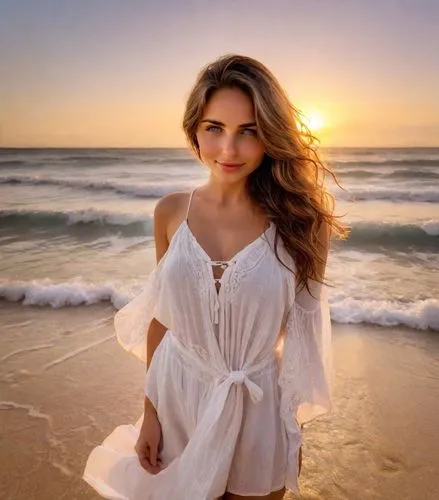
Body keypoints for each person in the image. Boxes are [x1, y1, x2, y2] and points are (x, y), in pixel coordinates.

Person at [83, 54, 347, 500]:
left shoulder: (303, 224)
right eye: (214, 129)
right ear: (195, 131)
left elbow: (303, 337)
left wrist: (292, 425)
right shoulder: (170, 212)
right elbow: (162, 321)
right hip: (177, 398)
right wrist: (150, 413)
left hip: (257, 408)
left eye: (249, 132)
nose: (228, 150)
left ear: (271, 136)